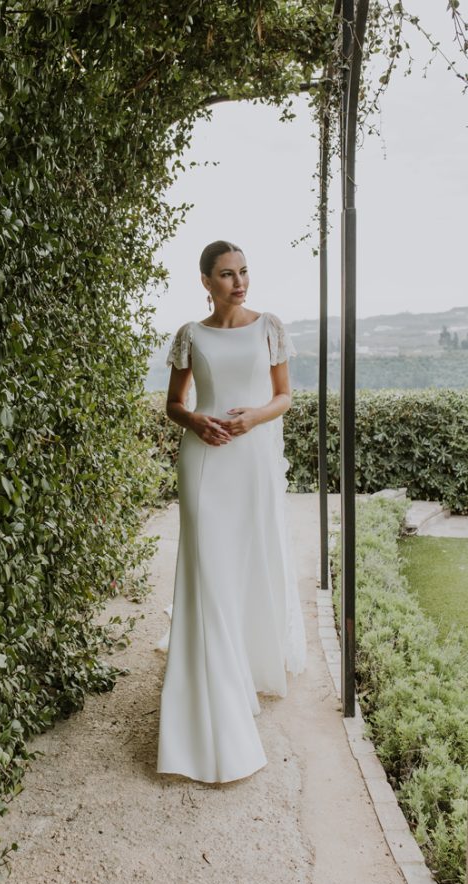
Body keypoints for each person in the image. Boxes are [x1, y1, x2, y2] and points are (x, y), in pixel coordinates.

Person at [155, 239, 307, 784]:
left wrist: (254, 419)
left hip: (250, 462)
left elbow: (284, 395)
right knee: (207, 573)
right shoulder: (189, 336)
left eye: (243, 272)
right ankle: (211, 699)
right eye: (226, 274)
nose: (239, 282)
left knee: (245, 563)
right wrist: (195, 421)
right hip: (203, 464)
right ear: (205, 281)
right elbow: (175, 403)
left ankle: (243, 671)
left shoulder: (270, 326)